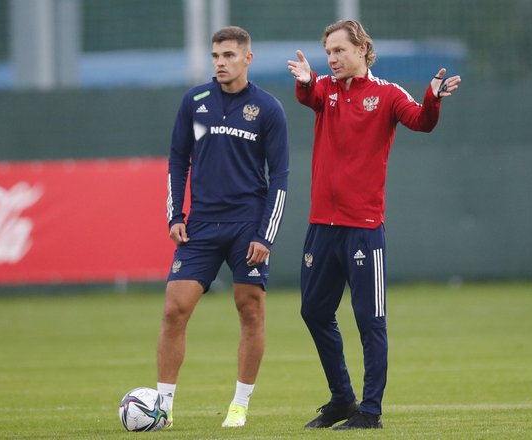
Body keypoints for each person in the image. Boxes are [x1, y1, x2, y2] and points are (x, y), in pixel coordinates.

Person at [287, 20, 460, 430]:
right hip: (321, 226)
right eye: (328, 52)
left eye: (339, 50)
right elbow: (308, 93)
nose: (332, 58)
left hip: (364, 228)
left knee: (370, 319)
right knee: (313, 311)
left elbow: (421, 120)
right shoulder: (325, 89)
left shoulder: (386, 94)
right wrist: (308, 79)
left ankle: (370, 411)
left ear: (362, 49)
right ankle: (342, 399)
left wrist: (432, 98)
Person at [158, 26, 289, 429]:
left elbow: (280, 176)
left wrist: (265, 235)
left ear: (247, 59)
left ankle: (240, 404)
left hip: (246, 225)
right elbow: (179, 160)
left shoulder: (267, 109)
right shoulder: (195, 102)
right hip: (200, 226)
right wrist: (175, 216)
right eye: (216, 55)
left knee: (249, 310)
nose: (220, 62)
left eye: (229, 55)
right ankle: (162, 406)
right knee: (175, 309)